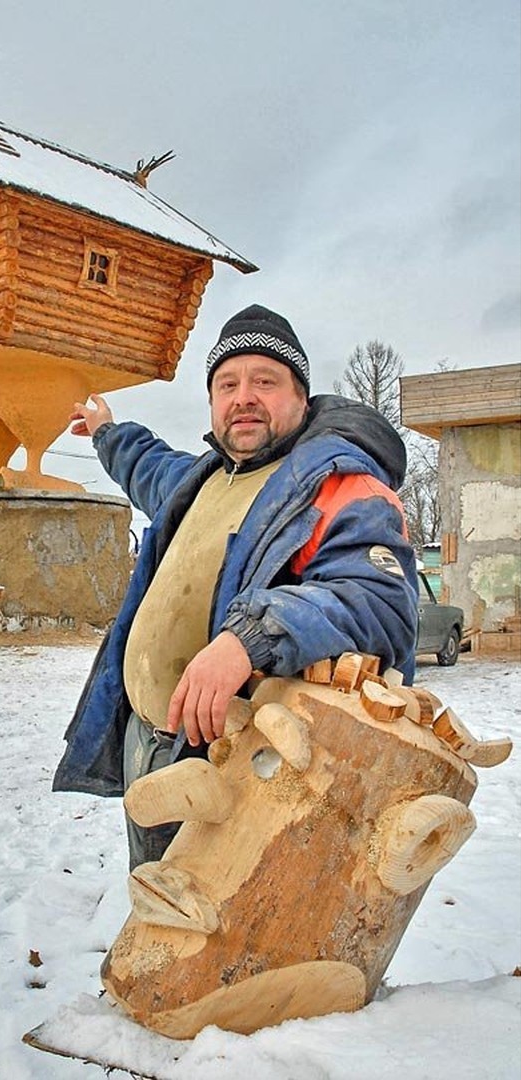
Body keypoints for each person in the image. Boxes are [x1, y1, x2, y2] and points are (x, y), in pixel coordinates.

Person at [53, 304, 419, 869]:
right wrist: (106, 429)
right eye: (228, 384)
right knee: (159, 913)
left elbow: (380, 601)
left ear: (302, 398)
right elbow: (145, 465)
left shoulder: (339, 484)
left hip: (247, 770)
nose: (243, 396)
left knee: (235, 940)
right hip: (154, 746)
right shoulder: (201, 481)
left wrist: (250, 637)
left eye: (265, 381)